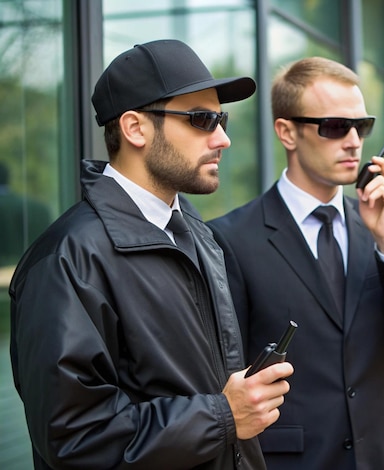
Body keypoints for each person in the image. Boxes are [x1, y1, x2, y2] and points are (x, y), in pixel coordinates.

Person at [9, 39, 293, 470]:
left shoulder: (197, 235)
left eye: (222, 118)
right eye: (202, 119)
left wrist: (233, 412)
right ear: (135, 128)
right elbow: (75, 441)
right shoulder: (68, 259)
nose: (223, 138)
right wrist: (222, 416)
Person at [207, 56, 384, 470]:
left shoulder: (378, 226)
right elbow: (224, 377)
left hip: (380, 458)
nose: (354, 141)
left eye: (362, 126)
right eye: (336, 127)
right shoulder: (229, 239)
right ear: (287, 132)